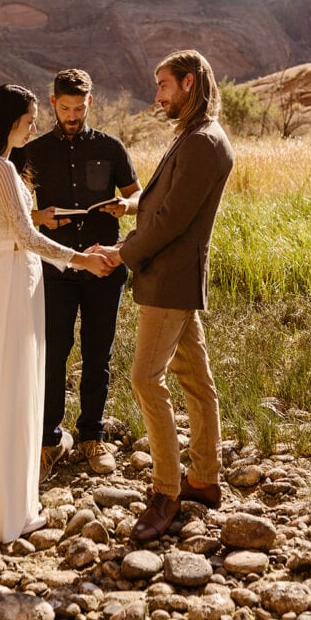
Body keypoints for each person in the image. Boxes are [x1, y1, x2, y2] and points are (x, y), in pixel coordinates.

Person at [0, 84, 111, 545]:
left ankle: (12, 499)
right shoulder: (1, 168)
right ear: (10, 120)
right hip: (18, 271)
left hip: (17, 274)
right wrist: (81, 259)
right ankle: (8, 509)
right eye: (30, 119)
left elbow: (23, 232)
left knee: (15, 381)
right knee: (16, 382)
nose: (35, 127)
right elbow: (26, 235)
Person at [100, 49, 234, 542]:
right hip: (177, 279)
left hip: (168, 279)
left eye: (163, 86)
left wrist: (121, 253)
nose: (157, 96)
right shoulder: (199, 137)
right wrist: (132, 203)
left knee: (143, 378)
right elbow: (169, 200)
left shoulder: (201, 142)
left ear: (190, 82)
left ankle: (165, 492)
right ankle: (204, 478)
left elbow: (174, 220)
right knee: (195, 380)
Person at [12, 68, 141, 480]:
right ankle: (50, 440)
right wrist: (39, 217)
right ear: (52, 104)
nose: (72, 114)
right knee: (53, 353)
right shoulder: (29, 153)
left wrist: (126, 207)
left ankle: (91, 436)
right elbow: (8, 211)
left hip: (104, 265)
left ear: (91, 102)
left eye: (78, 108)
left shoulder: (112, 147)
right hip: (55, 268)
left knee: (98, 354)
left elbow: (137, 194)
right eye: (64, 107)